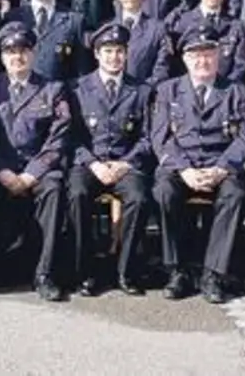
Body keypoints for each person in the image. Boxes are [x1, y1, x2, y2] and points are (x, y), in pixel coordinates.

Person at [151, 27, 245, 303]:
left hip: (220, 165)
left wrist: (222, 168)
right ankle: (178, 270)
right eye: (196, 55)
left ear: (218, 56)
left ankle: (213, 273)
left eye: (208, 54)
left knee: (235, 194)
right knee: (164, 191)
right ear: (185, 59)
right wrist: (184, 169)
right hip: (181, 166)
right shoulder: (168, 91)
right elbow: (161, 138)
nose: (203, 61)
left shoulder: (236, 91)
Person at [0, 22, 73, 300]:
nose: (17, 57)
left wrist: (31, 174)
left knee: (53, 188)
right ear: (2, 56)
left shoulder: (52, 89)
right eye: (10, 52)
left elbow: (58, 138)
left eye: (23, 51)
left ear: (33, 53)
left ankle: (45, 274)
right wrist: (1, 170)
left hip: (37, 168)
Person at [67, 23, 155, 295]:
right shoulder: (77, 88)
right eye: (107, 51)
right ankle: (85, 272)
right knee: (76, 195)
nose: (114, 57)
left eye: (119, 51)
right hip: (89, 163)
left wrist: (125, 163)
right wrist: (93, 163)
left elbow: (148, 137)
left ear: (127, 54)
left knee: (139, 198)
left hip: (125, 164)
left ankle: (126, 271)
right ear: (96, 54)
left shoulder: (142, 91)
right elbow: (70, 137)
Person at [5, 0, 89, 82]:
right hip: (23, 91)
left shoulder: (74, 20)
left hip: (59, 91)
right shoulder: (13, 18)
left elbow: (81, 69)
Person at [167, 0, 245, 85]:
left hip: (226, 90)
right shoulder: (182, 22)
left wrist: (225, 88)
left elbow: (240, 64)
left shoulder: (236, 26)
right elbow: (176, 63)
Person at [110, 0, 173, 85]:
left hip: (146, 92)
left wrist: (143, 91)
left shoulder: (158, 29)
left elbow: (161, 70)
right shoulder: (107, 28)